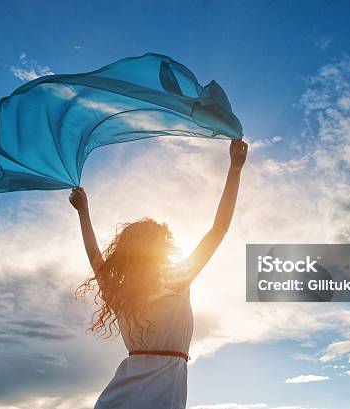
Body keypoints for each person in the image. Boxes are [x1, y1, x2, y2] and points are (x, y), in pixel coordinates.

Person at [69, 139, 248, 409]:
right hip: (163, 395)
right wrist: (235, 169)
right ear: (162, 249)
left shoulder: (122, 295)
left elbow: (96, 259)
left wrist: (84, 212)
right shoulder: (177, 279)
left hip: (119, 396)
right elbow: (218, 229)